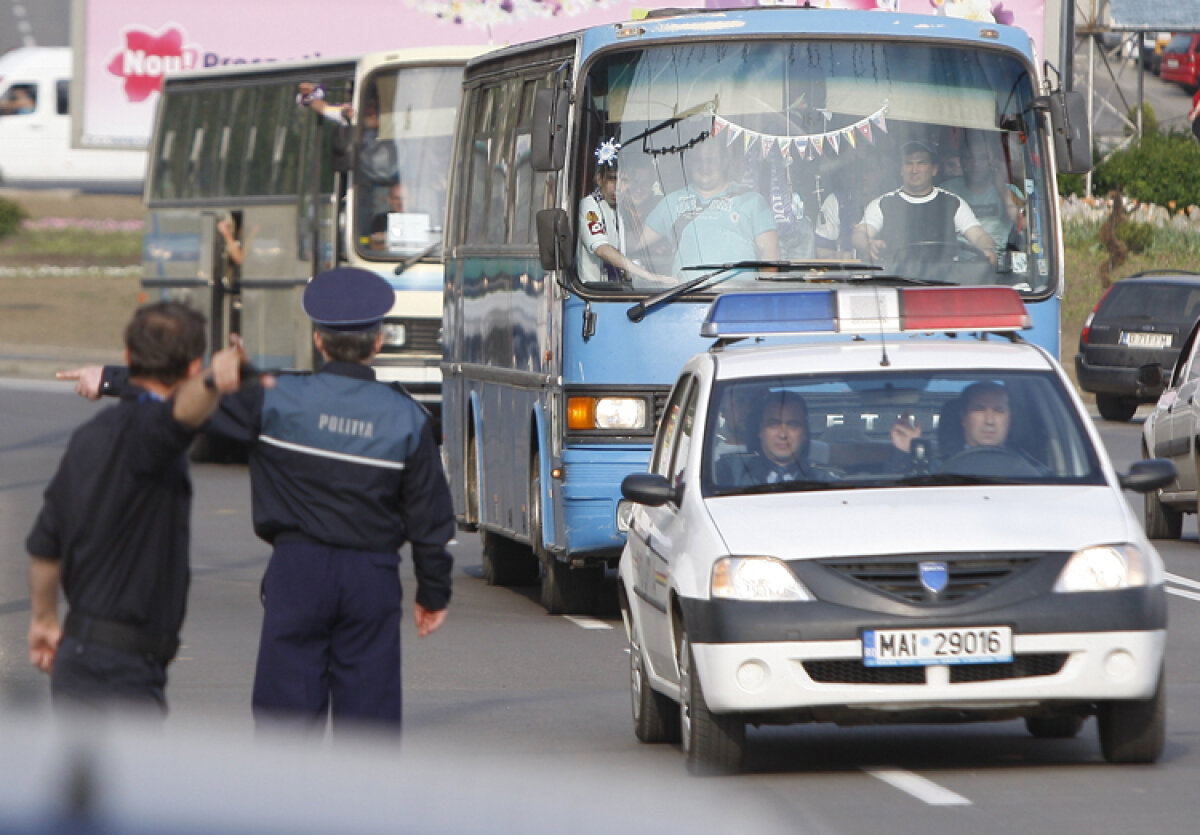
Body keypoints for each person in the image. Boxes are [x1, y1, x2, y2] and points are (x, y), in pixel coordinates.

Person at [65, 269, 454, 733]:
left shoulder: (276, 399)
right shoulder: (407, 418)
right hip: (370, 579)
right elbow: (430, 520)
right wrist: (433, 594)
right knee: (367, 725)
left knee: (284, 720)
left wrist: (107, 379)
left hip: (297, 571)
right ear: (379, 341)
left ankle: (284, 802)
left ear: (318, 340)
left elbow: (188, 396)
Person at [26, 302, 248, 716]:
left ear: (128, 357)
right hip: (123, 672)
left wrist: (43, 619)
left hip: (76, 657)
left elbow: (44, 547)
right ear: (192, 367)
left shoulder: (88, 437)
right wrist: (216, 378)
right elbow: (180, 414)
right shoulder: (153, 435)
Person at [642, 137, 780, 277]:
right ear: (689, 163)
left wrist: (763, 295)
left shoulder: (751, 200)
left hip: (737, 296)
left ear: (724, 162)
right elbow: (637, 241)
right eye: (698, 160)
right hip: (684, 295)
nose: (704, 167)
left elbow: (769, 253)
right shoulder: (671, 201)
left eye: (710, 160)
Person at [852, 139, 997, 268]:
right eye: (909, 163)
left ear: (934, 169)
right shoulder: (882, 204)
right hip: (895, 282)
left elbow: (978, 236)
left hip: (945, 285)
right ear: (901, 170)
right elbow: (860, 234)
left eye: (921, 163)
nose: (914, 170)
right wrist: (867, 245)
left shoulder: (953, 203)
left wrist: (986, 249)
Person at [577, 158, 669, 285]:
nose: (618, 187)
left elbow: (619, 250)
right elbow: (602, 249)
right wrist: (647, 275)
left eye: (624, 181)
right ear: (599, 179)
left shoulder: (617, 209)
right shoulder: (590, 206)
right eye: (612, 179)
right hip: (592, 293)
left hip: (615, 291)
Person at [716, 390, 825, 487]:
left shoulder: (827, 482)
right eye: (773, 424)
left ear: (805, 432)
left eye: (793, 425)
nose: (783, 435)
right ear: (759, 430)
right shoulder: (728, 475)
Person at [940, 142, 1020, 257]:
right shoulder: (946, 190)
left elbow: (1024, 224)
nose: (975, 164)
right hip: (955, 264)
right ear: (961, 161)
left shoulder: (1008, 192)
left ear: (991, 162)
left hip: (998, 263)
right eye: (969, 158)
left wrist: (1002, 190)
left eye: (981, 158)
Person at [368, 182, 407, 251]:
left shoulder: (421, 219)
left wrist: (386, 238)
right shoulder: (380, 220)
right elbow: (373, 246)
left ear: (411, 199)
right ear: (389, 199)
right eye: (396, 198)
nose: (400, 202)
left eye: (404, 198)